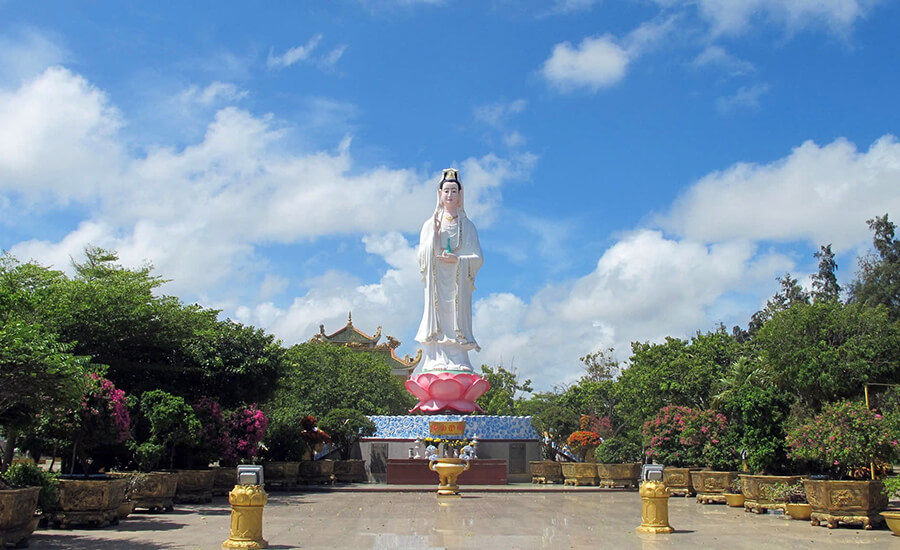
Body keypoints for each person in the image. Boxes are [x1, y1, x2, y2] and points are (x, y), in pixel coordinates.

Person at [414, 168, 483, 372]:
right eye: (446, 191)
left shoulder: (468, 226)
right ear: (440, 194)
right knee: (439, 317)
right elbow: (421, 256)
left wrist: (458, 260)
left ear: (460, 195)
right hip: (437, 281)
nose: (450, 195)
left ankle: (459, 358)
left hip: (457, 281)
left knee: (455, 316)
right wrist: (434, 237)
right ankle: (436, 357)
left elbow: (478, 257)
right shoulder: (430, 224)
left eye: (454, 191)